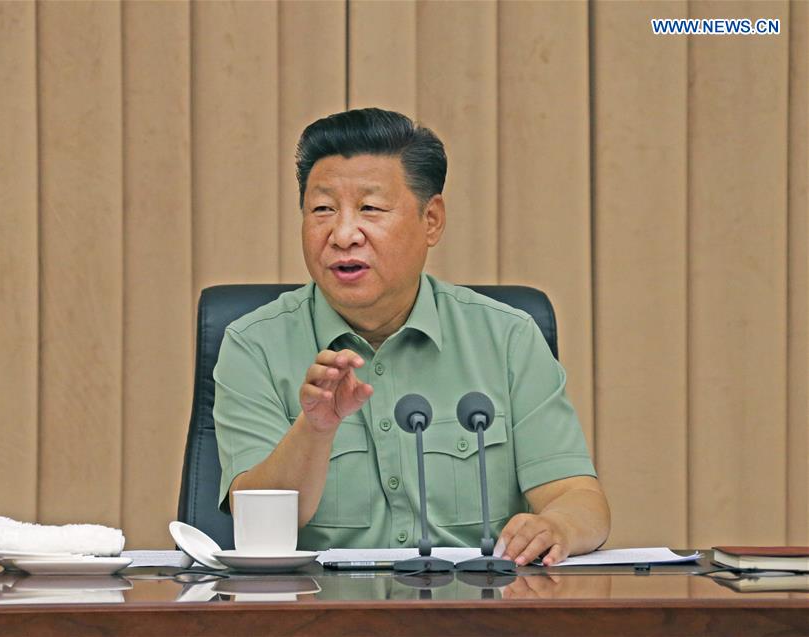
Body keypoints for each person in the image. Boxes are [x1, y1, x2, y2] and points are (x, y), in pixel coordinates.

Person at [214, 108, 610, 566]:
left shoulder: (507, 338)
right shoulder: (254, 345)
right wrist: (315, 429)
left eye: (370, 209)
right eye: (322, 209)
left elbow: (580, 497)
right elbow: (256, 524)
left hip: (478, 614)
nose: (343, 235)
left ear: (432, 220)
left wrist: (557, 526)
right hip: (319, 616)